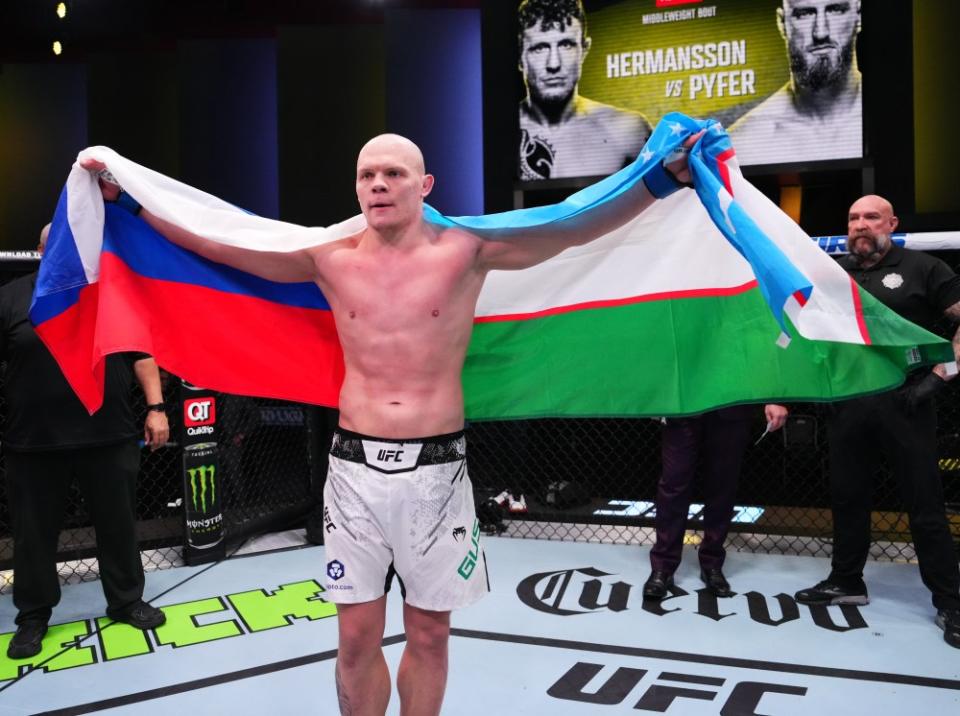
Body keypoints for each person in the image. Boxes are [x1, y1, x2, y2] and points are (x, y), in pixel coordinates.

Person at [82, 131, 697, 715]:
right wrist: (133, 210)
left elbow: (570, 227)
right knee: (355, 637)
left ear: (425, 184)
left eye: (392, 174)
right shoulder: (330, 260)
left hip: (438, 473)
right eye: (366, 175)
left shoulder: (466, 251)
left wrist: (659, 182)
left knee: (428, 635)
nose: (377, 184)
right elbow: (222, 245)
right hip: (353, 471)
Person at [794, 195, 960, 649]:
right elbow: (810, 333)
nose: (860, 224)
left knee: (924, 507)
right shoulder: (835, 275)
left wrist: (939, 378)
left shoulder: (925, 269)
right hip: (849, 403)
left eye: (870, 217)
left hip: (907, 402)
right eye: (852, 218)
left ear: (892, 223)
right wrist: (819, 388)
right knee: (847, 498)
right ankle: (847, 580)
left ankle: (950, 601)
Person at [2, 224, 170, 660]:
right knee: (33, 535)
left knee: (118, 522)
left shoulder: (111, 293)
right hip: (34, 440)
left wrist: (156, 408)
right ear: (41, 250)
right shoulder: (13, 297)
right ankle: (33, 615)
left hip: (107, 433)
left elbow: (141, 352)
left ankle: (127, 599)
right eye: (56, 244)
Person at [643, 404, 788, 600]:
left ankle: (712, 563)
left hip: (731, 398)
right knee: (673, 483)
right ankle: (663, 567)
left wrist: (774, 398)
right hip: (684, 401)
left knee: (722, 485)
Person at [517, 0, 652, 180]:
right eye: (540, 48)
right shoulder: (492, 135)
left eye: (566, 45)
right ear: (520, 57)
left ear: (584, 50)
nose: (554, 64)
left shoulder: (627, 129)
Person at [727, 0, 862, 166]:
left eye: (836, 10)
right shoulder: (745, 140)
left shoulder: (894, 116)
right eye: (804, 14)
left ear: (859, 14)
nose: (820, 32)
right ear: (782, 22)